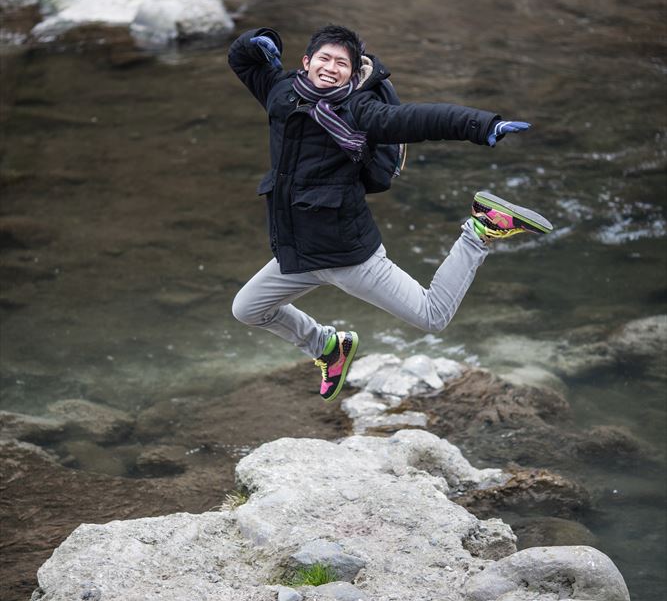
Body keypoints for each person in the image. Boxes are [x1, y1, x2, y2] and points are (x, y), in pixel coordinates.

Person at [228, 24, 552, 402]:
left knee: (433, 316)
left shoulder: (358, 110)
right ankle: (329, 346)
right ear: (306, 62)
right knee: (247, 308)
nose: (331, 68)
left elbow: (421, 119)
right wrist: (257, 40)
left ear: (353, 72)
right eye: (324, 59)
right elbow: (241, 60)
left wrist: (482, 125)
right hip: (298, 252)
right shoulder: (282, 93)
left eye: (341, 63)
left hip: (348, 255)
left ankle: (482, 228)